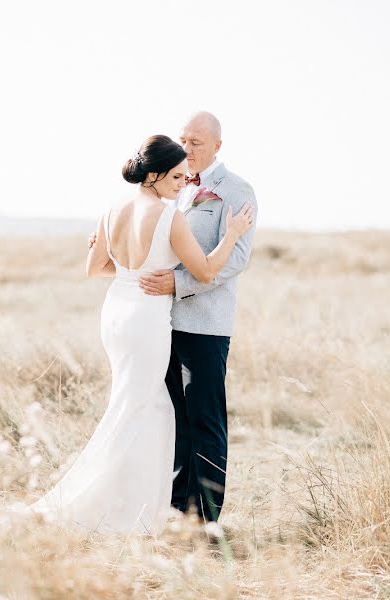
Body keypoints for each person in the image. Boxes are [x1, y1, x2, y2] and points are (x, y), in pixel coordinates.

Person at [29, 134, 253, 535]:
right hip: (147, 321)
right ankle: (117, 508)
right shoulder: (169, 217)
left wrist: (134, 274)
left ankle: (134, 503)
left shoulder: (112, 207)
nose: (183, 183)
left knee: (133, 404)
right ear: (153, 174)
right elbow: (204, 271)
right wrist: (232, 234)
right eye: (177, 176)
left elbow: (95, 268)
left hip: (116, 313)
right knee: (148, 410)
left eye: (187, 176)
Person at [138, 112, 258, 523]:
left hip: (206, 325)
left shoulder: (237, 191)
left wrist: (178, 284)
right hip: (163, 324)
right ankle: (178, 513)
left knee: (205, 421)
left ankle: (207, 520)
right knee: (176, 422)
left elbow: (234, 261)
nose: (187, 149)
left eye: (197, 143)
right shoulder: (175, 189)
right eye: (183, 140)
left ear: (218, 146)